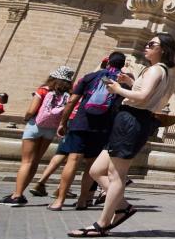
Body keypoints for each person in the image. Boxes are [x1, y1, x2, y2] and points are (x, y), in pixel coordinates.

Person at [69, 33, 175, 237]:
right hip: (129, 119)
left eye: (152, 44)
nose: (147, 46)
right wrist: (131, 81)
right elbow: (145, 92)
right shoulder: (156, 71)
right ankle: (123, 207)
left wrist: (118, 89)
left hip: (133, 120)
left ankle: (102, 223)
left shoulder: (155, 70)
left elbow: (144, 97)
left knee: (116, 175)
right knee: (96, 171)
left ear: (163, 49)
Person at [52, 53, 126, 211]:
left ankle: (59, 200)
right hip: (104, 127)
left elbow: (72, 100)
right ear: (123, 65)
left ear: (107, 62)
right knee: (92, 166)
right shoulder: (123, 82)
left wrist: (63, 122)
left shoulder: (90, 77)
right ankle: (83, 200)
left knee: (72, 161)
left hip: (81, 123)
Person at [0, 67, 75, 207]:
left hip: (35, 126)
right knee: (35, 162)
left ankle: (17, 195)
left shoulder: (43, 90)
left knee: (26, 161)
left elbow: (32, 110)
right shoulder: (68, 94)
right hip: (50, 130)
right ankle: (20, 192)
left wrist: (27, 118)